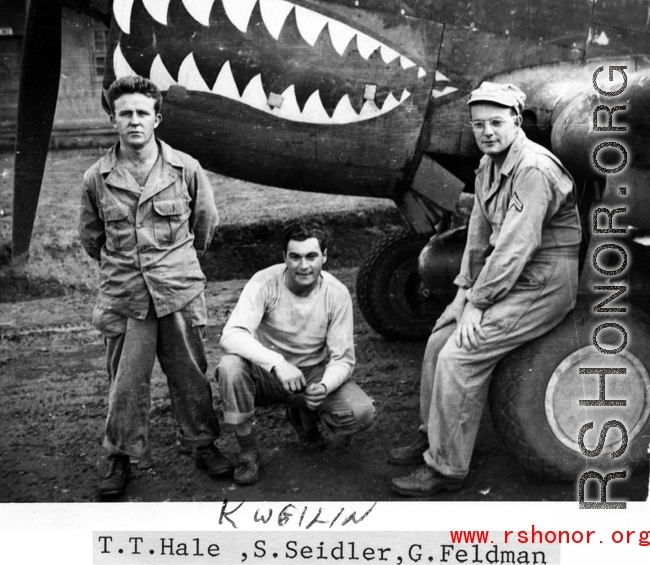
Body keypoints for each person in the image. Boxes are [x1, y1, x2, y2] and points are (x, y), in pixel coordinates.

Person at [389, 82, 582, 496]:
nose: (487, 131)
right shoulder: (489, 164)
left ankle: (447, 468)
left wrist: (477, 304)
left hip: (545, 280)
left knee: (461, 354)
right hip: (513, 275)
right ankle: (435, 436)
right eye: (479, 125)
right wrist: (461, 296)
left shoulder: (532, 169)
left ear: (517, 121)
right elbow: (478, 236)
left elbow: (513, 249)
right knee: (441, 335)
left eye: (496, 122)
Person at [79, 75, 232, 497]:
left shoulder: (186, 169)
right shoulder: (97, 178)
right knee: (125, 383)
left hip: (179, 292)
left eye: (141, 113)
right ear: (113, 119)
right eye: (124, 113)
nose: (133, 121)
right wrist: (131, 267)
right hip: (126, 298)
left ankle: (203, 445)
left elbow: (205, 224)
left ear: (157, 118)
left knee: (190, 377)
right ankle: (121, 458)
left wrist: (175, 264)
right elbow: (92, 238)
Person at [216, 221, 375, 485]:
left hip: (312, 374)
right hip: (268, 373)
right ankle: (247, 451)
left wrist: (324, 386)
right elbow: (231, 334)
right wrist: (277, 362)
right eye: (295, 257)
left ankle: (303, 414)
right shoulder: (265, 282)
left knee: (361, 413)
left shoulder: (336, 293)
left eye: (312, 256)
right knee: (230, 366)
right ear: (284, 258)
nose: (304, 266)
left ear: (324, 256)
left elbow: (343, 359)